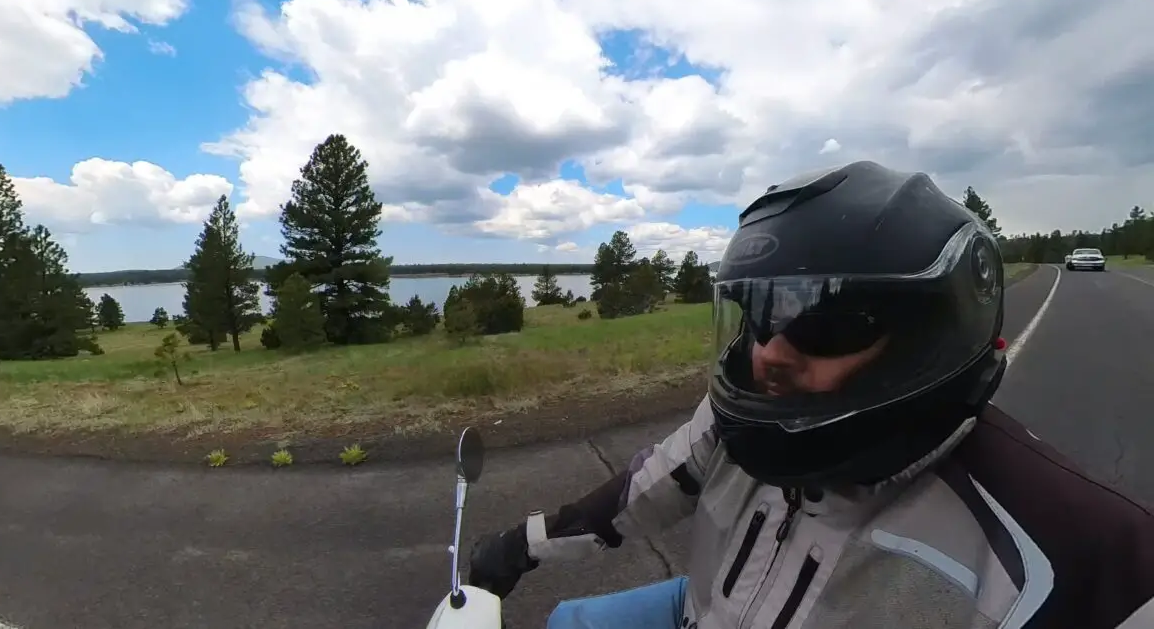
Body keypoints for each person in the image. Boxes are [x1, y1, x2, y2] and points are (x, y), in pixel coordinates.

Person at [467, 161, 1154, 629]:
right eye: (758, 317)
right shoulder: (742, 421)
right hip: (705, 607)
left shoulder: (1079, 543)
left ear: (929, 336)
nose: (769, 354)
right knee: (567, 620)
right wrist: (524, 542)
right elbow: (648, 487)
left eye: (822, 323)